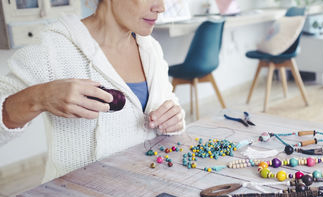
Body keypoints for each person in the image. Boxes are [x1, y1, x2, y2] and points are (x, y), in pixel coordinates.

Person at [0, 0, 185, 183]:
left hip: (146, 191)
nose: (161, 7)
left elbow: (169, 103)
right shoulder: (53, 49)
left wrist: (174, 118)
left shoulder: (151, 49)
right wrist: (40, 97)